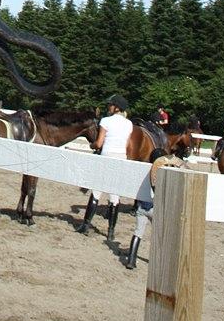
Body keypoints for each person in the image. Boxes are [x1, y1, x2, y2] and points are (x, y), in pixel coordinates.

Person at [77, 95, 134, 240]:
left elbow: (99, 143)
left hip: (107, 157)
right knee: (115, 196)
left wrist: (91, 145)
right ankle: (110, 232)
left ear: (116, 107)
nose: (109, 107)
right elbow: (127, 145)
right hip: (121, 158)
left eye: (111, 105)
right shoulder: (129, 124)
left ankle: (85, 225)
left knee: (96, 192)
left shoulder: (106, 121)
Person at [122, 151, 184, 269]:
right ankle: (160, 261)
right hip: (155, 208)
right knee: (161, 234)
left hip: (141, 207)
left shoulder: (142, 170)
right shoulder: (162, 173)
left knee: (138, 232)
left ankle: (131, 259)